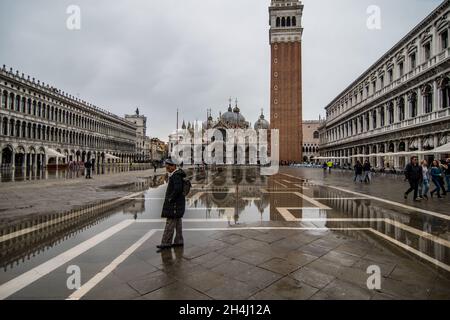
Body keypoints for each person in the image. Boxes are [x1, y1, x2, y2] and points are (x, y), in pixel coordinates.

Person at [157, 159, 186, 252]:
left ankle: (166, 243)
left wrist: (170, 198)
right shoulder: (177, 174)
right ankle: (179, 240)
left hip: (174, 205)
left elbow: (177, 189)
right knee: (177, 222)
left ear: (173, 166)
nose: (167, 168)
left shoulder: (176, 175)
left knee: (170, 223)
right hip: (178, 204)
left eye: (168, 167)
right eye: (166, 167)